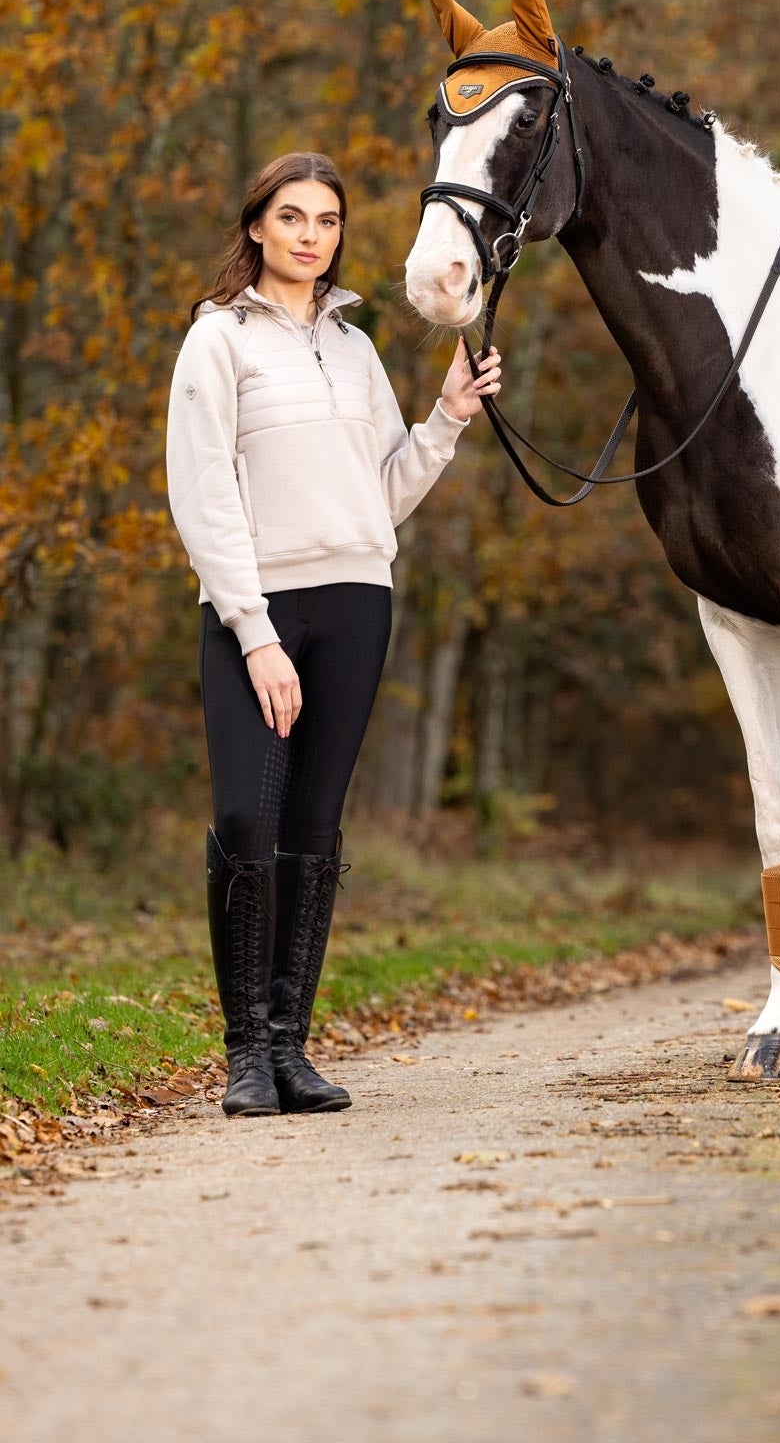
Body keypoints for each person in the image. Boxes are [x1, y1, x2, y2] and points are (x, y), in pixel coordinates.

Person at [165, 151, 500, 1117]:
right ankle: (242, 1056)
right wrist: (254, 632)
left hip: (357, 599)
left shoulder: (355, 351)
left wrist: (446, 417)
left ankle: (289, 1050)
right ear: (258, 227)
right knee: (244, 823)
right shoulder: (217, 342)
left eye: (327, 221)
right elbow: (203, 494)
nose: (311, 236)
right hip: (255, 610)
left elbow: (382, 494)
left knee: (313, 829)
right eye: (292, 217)